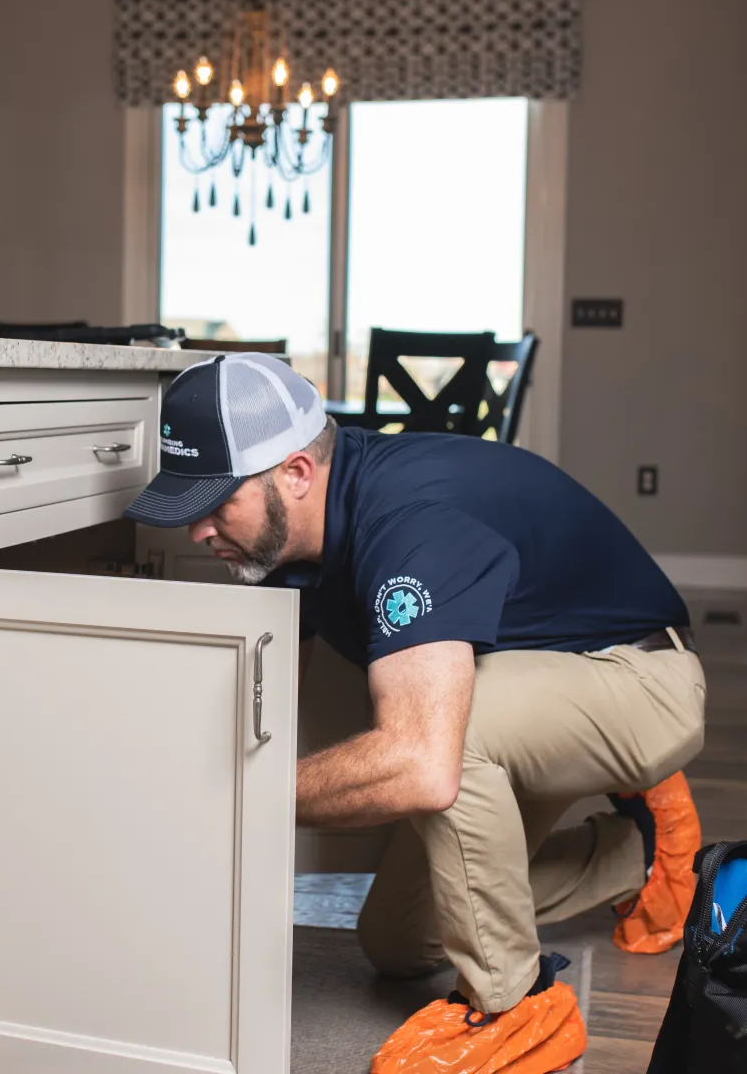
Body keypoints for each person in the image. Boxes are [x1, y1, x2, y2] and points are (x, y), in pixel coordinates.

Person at [124, 354, 707, 1073]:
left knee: (444, 745)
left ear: (296, 474)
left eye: (217, 504)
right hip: (524, 679)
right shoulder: (299, 531)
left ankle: (519, 1010)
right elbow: (276, 701)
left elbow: (421, 769)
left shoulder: (406, 525)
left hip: (639, 680)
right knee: (398, 944)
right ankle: (636, 854)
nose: (199, 532)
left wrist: (228, 795)